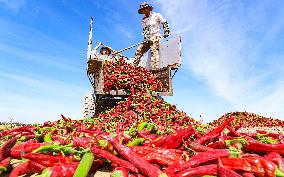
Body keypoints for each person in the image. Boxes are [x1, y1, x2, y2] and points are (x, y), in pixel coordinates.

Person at [133, 2, 170, 70]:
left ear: (148, 9)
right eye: (142, 10)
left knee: (154, 50)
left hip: (156, 36)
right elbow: (145, 30)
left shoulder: (156, 15)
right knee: (139, 50)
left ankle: (154, 69)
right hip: (148, 38)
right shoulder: (144, 20)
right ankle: (133, 67)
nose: (144, 11)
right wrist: (146, 38)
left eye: (144, 9)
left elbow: (164, 22)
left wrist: (166, 31)